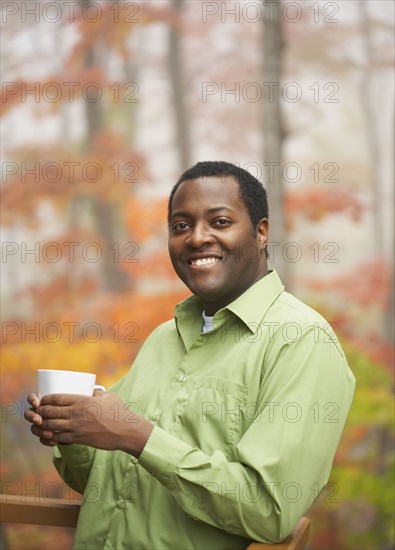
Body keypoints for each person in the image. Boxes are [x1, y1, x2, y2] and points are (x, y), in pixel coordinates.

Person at [25, 161, 355, 550]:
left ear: (261, 232)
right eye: (181, 226)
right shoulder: (164, 337)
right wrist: (71, 432)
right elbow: (104, 482)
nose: (198, 238)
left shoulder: (301, 342)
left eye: (220, 221)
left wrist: (138, 436)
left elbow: (269, 511)